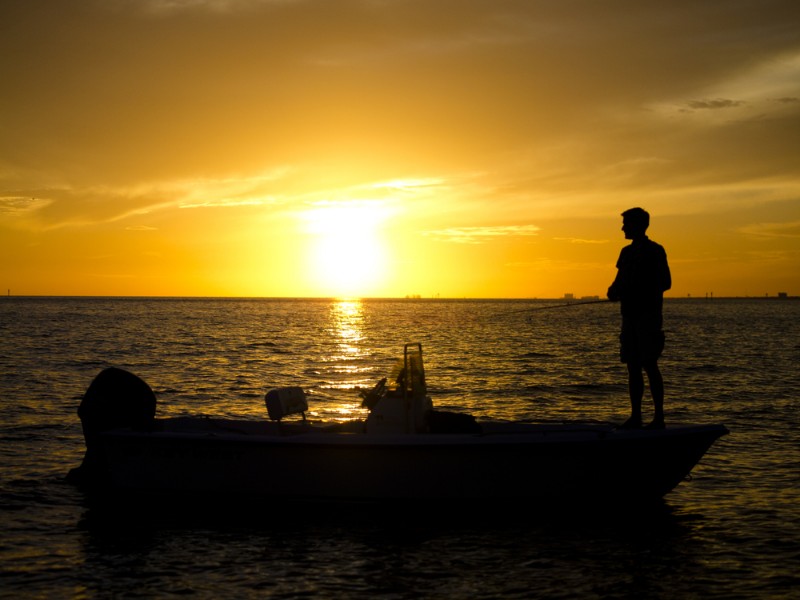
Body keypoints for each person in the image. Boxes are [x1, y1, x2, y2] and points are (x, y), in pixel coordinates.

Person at [607, 207, 671, 429]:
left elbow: (665, 283)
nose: (622, 227)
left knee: (649, 364)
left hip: (648, 317)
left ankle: (659, 418)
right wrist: (613, 291)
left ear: (638, 225)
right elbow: (618, 280)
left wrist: (637, 290)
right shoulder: (625, 253)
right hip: (629, 317)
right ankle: (636, 417)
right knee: (632, 366)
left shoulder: (656, 251)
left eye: (626, 223)